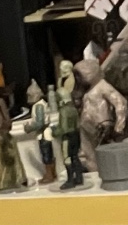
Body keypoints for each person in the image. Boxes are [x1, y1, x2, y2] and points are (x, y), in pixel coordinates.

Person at [55, 60, 85, 190]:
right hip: (76, 135)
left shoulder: (64, 111)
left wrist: (54, 131)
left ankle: (70, 180)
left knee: (67, 157)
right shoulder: (72, 109)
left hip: (68, 137)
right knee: (75, 156)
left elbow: (63, 128)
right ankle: (79, 177)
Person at [26, 80, 55, 185]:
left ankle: (49, 174)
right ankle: (51, 173)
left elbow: (40, 123)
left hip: (44, 134)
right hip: (45, 133)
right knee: (48, 154)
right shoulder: (40, 104)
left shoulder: (39, 106)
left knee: (46, 155)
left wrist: (29, 128)